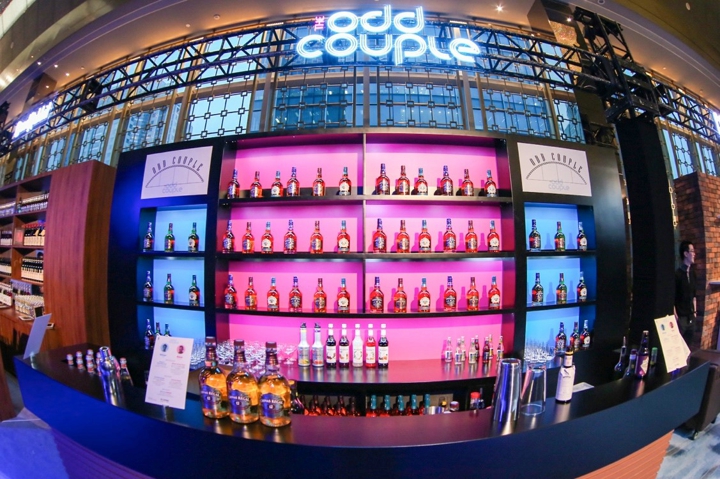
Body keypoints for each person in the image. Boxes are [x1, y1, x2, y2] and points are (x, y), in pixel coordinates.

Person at [674, 240, 697, 344]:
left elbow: (694, 296)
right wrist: (677, 317)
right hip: (681, 318)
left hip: (691, 317)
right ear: (686, 254)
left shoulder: (693, 274)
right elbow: (672, 298)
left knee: (689, 346)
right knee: (679, 346)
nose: (694, 254)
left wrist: (695, 312)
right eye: (692, 251)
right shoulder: (677, 275)